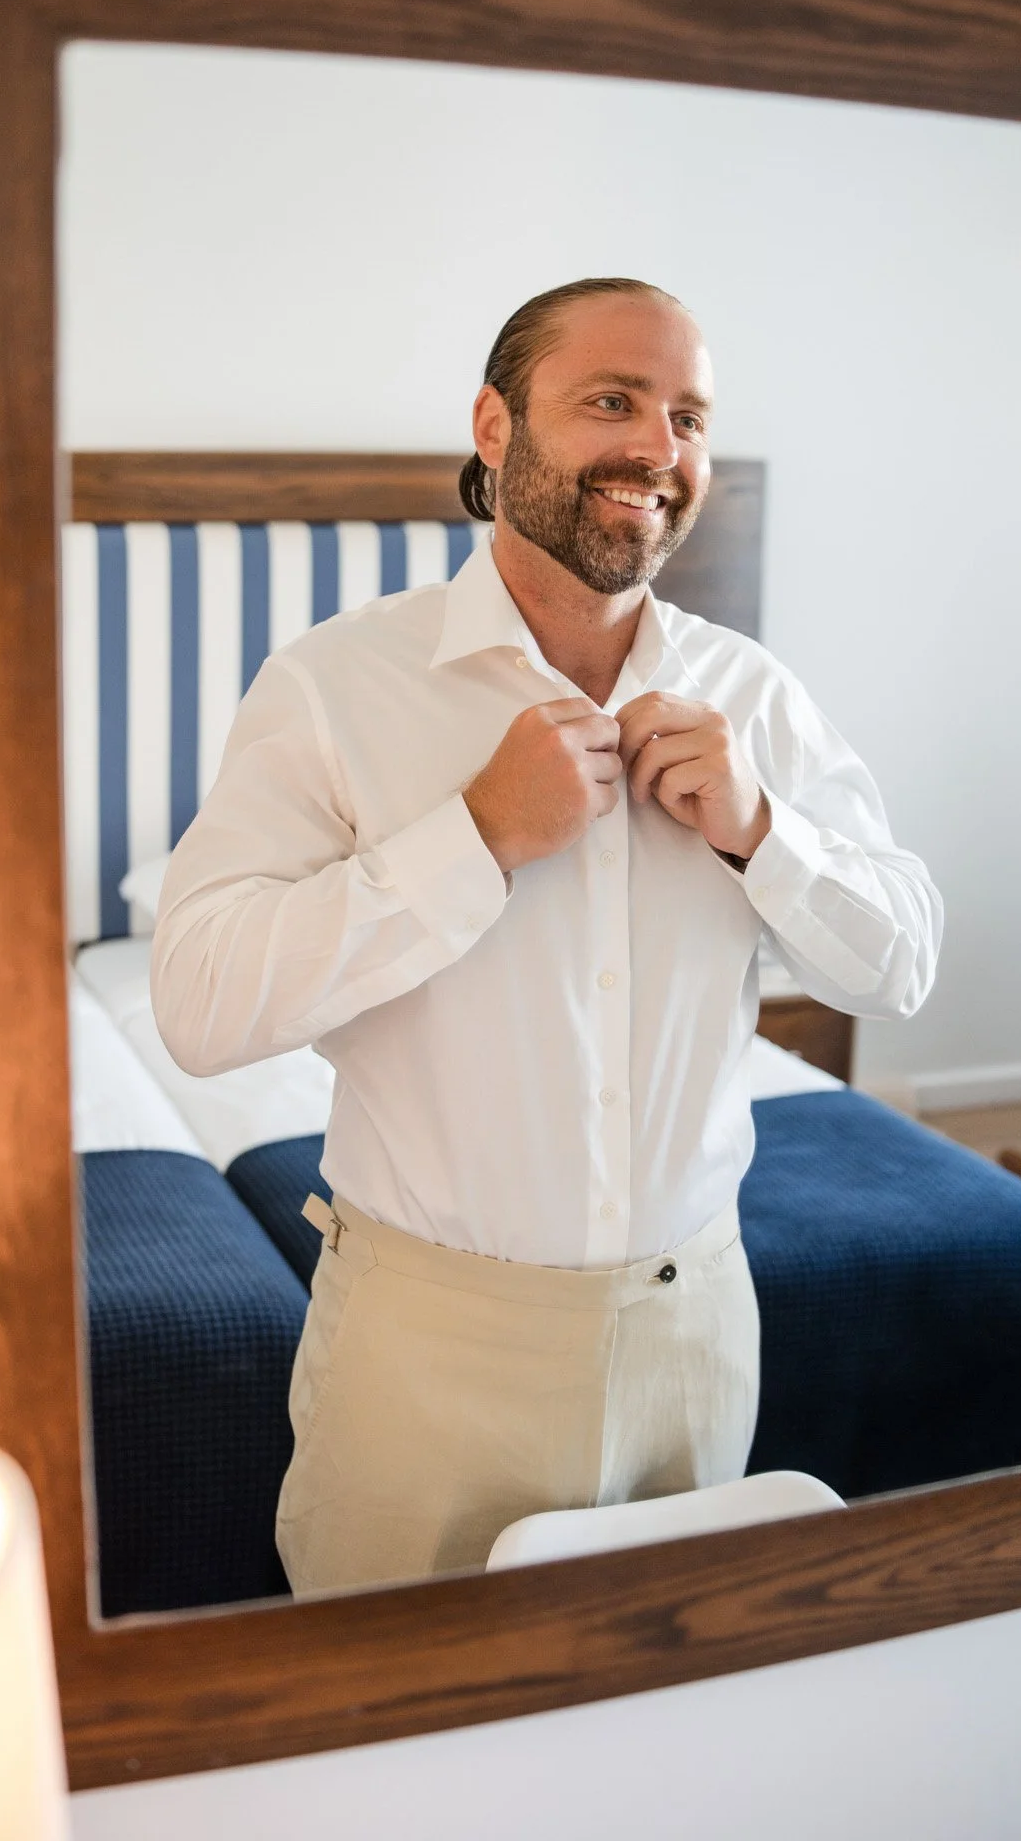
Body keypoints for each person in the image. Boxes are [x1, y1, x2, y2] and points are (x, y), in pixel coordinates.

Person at [150, 277, 942, 1597]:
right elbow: (197, 999)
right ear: (495, 425)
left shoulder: (755, 700)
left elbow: (901, 961)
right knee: (400, 1760)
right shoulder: (336, 687)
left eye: (687, 416)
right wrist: (470, 838)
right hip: (426, 1355)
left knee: (665, 1751)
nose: (657, 448)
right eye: (611, 401)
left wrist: (763, 831)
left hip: (700, 1330)